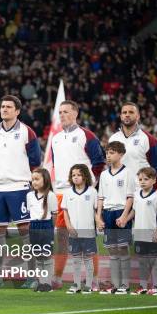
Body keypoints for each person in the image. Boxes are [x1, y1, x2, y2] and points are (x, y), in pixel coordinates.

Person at [50, 100, 105, 290]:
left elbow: (98, 164)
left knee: (87, 237)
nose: (62, 115)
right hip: (61, 193)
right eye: (60, 112)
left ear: (75, 113)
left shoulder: (87, 136)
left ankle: (94, 279)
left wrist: (90, 188)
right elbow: (56, 166)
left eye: (66, 111)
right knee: (62, 237)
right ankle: (56, 278)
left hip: (83, 194)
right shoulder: (55, 139)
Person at [0, 95, 41, 288]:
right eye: (2, 106)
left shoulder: (28, 132)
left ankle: (32, 276)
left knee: (26, 232)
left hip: (20, 187)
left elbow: (35, 161)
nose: (4, 110)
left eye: (9, 107)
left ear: (17, 111)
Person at [96, 141, 135, 294]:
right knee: (112, 251)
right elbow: (100, 198)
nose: (108, 156)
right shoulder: (104, 174)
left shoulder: (128, 173)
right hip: (108, 213)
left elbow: (130, 197)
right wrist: (98, 217)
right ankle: (115, 284)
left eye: (112, 153)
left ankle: (125, 285)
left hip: (120, 212)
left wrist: (125, 216)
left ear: (121, 154)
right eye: (107, 153)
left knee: (123, 249)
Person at [128, 167, 157, 296]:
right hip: (139, 233)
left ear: (154, 180)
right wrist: (125, 219)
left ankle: (156, 287)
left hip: (152, 234)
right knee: (142, 262)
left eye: (146, 179)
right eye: (140, 179)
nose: (142, 181)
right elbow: (134, 211)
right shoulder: (137, 195)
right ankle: (143, 286)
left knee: (153, 261)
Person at [108, 102, 157, 188]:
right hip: (117, 193)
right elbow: (111, 166)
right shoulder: (113, 139)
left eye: (131, 112)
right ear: (121, 116)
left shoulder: (149, 140)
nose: (127, 115)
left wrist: (148, 193)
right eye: (124, 112)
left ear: (138, 116)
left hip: (139, 194)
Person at [62, 164, 97, 294]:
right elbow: (65, 211)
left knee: (88, 258)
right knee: (76, 259)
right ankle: (76, 284)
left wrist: (98, 221)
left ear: (85, 176)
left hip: (88, 231)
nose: (76, 177)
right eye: (73, 175)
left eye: (79, 175)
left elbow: (96, 211)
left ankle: (88, 285)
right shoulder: (67, 193)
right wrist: (69, 226)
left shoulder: (92, 192)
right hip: (73, 232)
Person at [27, 168, 57, 292]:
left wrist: (50, 228)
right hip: (34, 226)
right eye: (33, 179)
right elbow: (31, 212)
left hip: (46, 226)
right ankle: (41, 282)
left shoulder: (51, 195)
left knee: (46, 255)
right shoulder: (29, 195)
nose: (34, 182)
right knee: (38, 256)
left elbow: (54, 215)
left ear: (45, 180)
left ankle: (48, 283)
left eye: (37, 179)